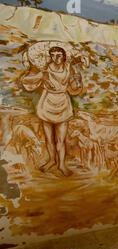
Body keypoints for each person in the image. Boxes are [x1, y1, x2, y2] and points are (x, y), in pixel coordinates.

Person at [21, 46, 83, 176]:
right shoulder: (45, 70)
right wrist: (42, 78)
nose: (56, 57)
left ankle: (61, 165)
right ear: (50, 56)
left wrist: (77, 82)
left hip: (63, 103)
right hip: (47, 103)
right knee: (49, 139)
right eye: (53, 55)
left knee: (60, 139)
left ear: (64, 56)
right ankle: (51, 161)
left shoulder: (68, 68)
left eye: (59, 55)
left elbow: (74, 88)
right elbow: (25, 80)